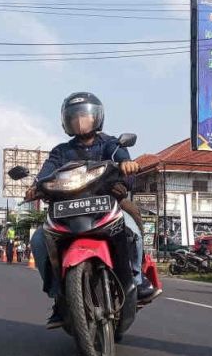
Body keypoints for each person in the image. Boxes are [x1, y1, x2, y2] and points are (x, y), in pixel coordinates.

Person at [27, 92, 161, 329]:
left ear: (97, 117)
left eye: (85, 115)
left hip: (107, 203)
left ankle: (137, 281)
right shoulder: (60, 151)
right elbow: (46, 173)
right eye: (74, 116)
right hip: (66, 210)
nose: (80, 121)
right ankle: (58, 295)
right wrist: (35, 186)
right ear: (66, 121)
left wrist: (126, 170)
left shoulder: (110, 144)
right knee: (38, 240)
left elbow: (123, 161)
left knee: (133, 231)